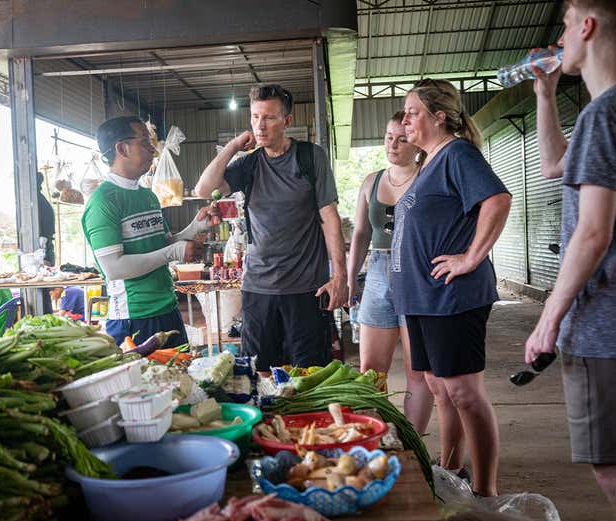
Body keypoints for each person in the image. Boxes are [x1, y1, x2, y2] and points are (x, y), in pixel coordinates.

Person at [392, 78, 512, 497]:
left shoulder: (457, 153)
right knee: (440, 386)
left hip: (451, 297)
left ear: (439, 116)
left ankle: (485, 493)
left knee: (464, 392)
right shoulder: (429, 161)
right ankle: (451, 467)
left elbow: (497, 200)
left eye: (413, 112)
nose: (405, 119)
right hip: (424, 298)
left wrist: (471, 258)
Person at [526, 0, 616, 506]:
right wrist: (545, 95)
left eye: (564, 27)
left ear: (588, 25)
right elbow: (552, 164)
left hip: (602, 321)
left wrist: (548, 319)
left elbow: (592, 232)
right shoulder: (598, 115)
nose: (559, 41)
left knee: (608, 464)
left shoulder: (604, 114)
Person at [195, 84, 347, 371]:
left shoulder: (310, 157)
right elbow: (204, 188)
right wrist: (232, 146)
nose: (260, 126)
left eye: (269, 117)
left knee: (309, 373)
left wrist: (340, 277)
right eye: (254, 117)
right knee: (259, 372)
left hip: (306, 289)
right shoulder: (248, 164)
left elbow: (329, 217)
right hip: (258, 289)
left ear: (287, 121)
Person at [82, 116, 221, 348]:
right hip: (134, 318)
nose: (153, 151)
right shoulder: (103, 202)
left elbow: (164, 244)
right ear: (121, 148)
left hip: (168, 308)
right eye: (145, 142)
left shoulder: (147, 195)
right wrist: (173, 252)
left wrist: (196, 227)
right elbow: (114, 268)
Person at [347, 111, 434, 435]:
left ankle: (413, 443)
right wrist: (351, 279)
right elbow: (360, 234)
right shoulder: (371, 180)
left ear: (416, 143)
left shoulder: (428, 176)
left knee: (418, 371)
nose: (393, 145)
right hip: (378, 272)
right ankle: (380, 437)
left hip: (417, 273)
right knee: (371, 370)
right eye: (388, 137)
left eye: (401, 138)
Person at [38, 171, 56, 314]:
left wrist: (44, 259)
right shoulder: (41, 201)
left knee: (43, 295)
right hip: (46, 251)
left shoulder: (38, 203)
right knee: (44, 295)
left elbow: (44, 236)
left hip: (44, 253)